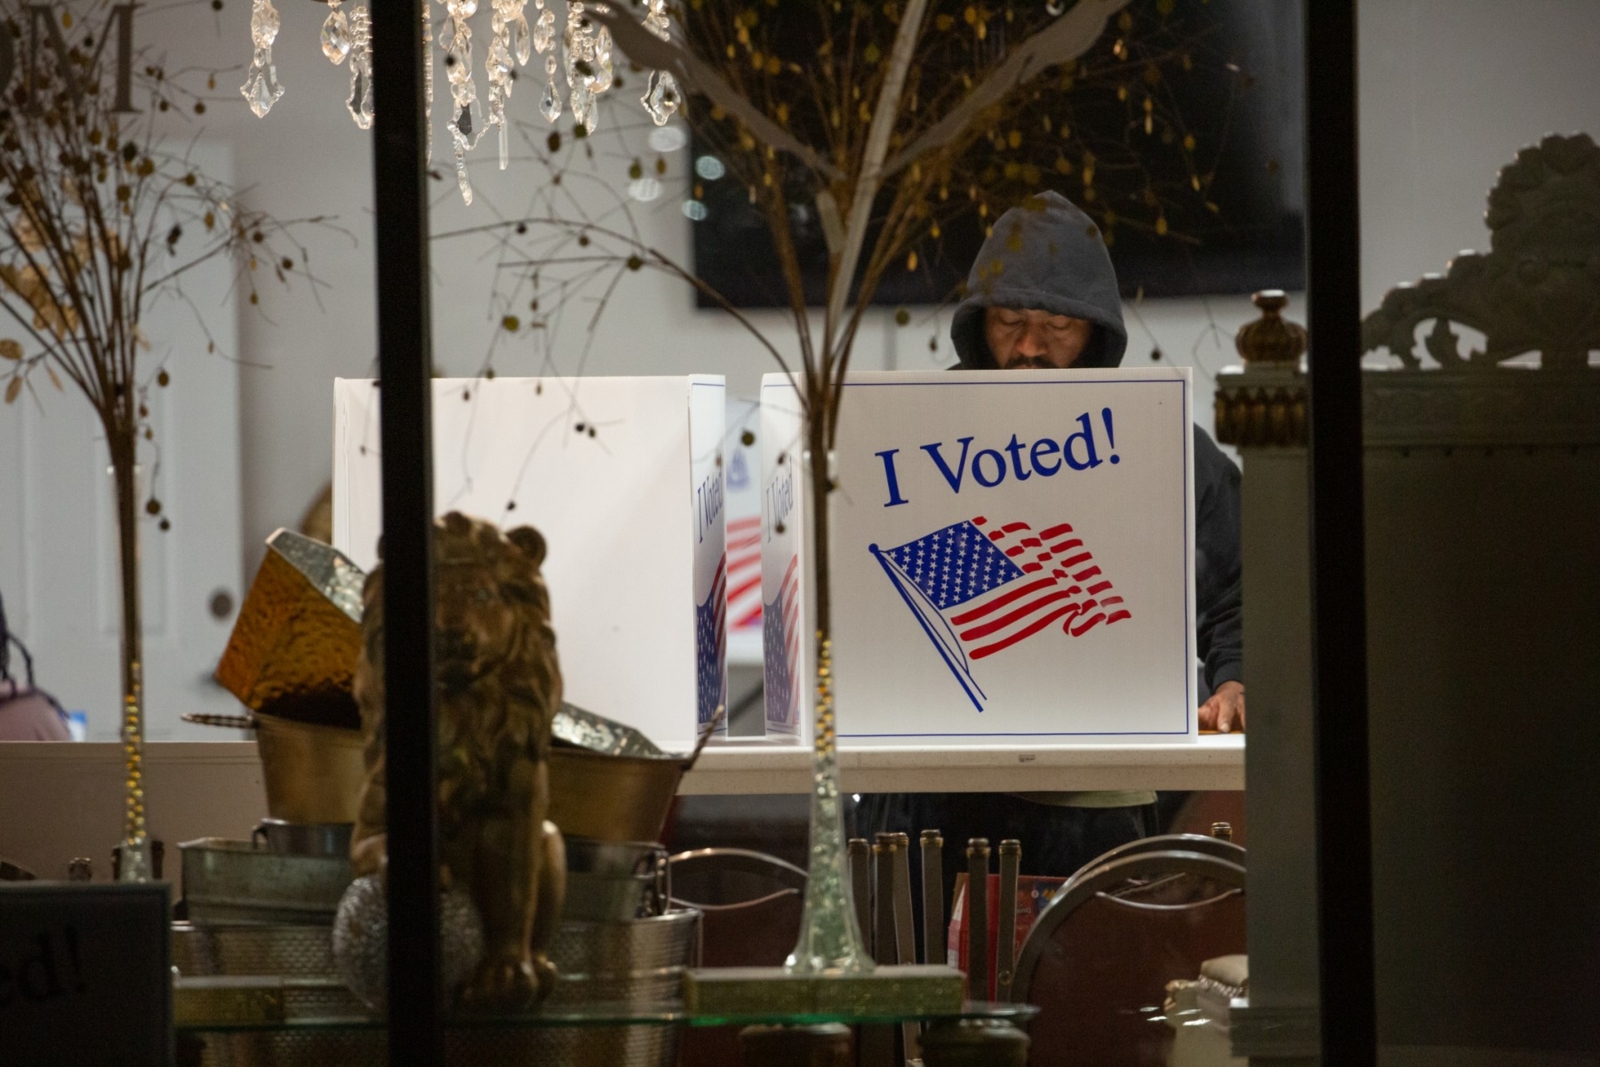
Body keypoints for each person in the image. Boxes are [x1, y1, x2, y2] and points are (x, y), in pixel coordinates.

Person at [856, 191, 1243, 907]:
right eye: (1010, 322)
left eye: (1057, 326)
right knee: (905, 1010)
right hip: (922, 791)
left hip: (1091, 792)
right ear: (980, 324)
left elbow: (1242, 590)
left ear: (1095, 332)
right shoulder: (906, 436)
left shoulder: (1152, 442)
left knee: (1082, 1010)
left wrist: (1236, 676)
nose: (1030, 346)